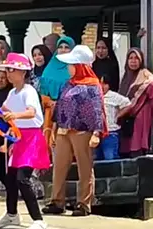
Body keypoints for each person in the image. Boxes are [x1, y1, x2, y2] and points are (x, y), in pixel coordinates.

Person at [0, 53, 51, 229]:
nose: (8, 73)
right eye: (8, 69)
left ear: (22, 72)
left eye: (11, 69)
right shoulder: (13, 93)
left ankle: (39, 221)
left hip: (31, 138)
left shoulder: (29, 91)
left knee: (22, 178)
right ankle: (12, 214)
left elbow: (31, 112)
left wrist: (15, 116)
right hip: (18, 139)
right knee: (10, 178)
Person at [42, 45, 107, 217]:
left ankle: (84, 203)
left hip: (82, 131)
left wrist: (96, 133)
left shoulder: (93, 85)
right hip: (63, 129)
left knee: (84, 167)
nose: (68, 68)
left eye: (71, 64)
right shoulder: (67, 84)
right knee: (59, 166)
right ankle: (57, 201)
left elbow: (97, 110)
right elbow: (60, 106)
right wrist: (54, 128)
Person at [119, 48, 153, 157]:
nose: (133, 61)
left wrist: (146, 109)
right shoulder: (126, 76)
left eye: (136, 58)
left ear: (141, 60)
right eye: (130, 58)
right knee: (125, 150)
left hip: (140, 116)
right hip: (125, 117)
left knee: (136, 149)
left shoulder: (147, 77)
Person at [38, 36, 76, 152]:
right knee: (50, 146)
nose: (63, 50)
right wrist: (50, 102)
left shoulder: (76, 69)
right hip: (51, 112)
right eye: (60, 47)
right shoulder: (49, 69)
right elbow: (43, 93)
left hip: (70, 112)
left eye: (66, 47)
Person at [96, 73, 130, 161]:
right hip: (96, 133)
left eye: (104, 84)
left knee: (110, 158)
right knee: (97, 158)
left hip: (110, 132)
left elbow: (128, 104)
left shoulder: (113, 96)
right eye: (100, 83)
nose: (102, 86)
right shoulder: (94, 96)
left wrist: (118, 115)